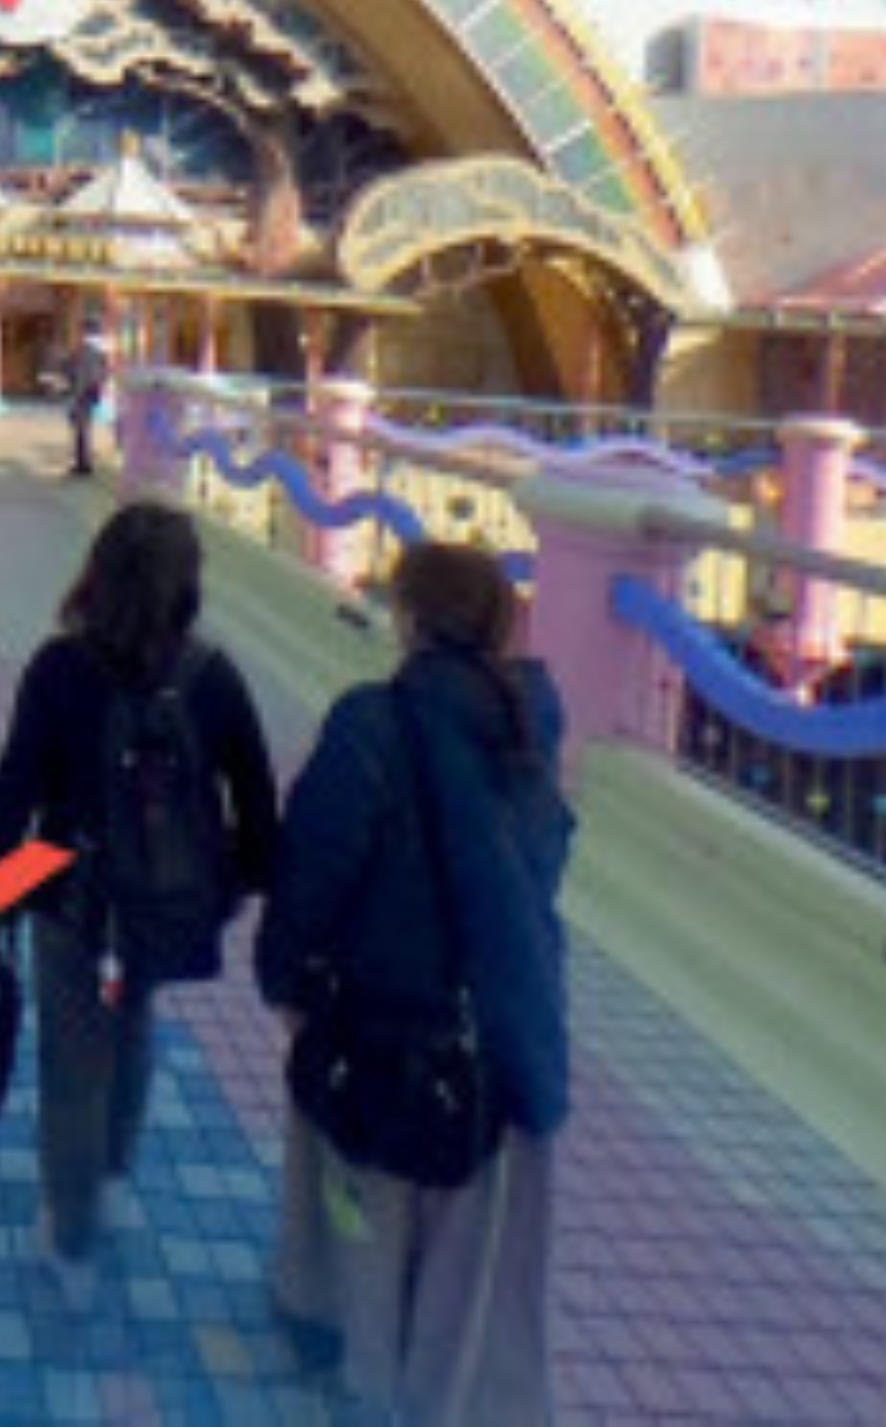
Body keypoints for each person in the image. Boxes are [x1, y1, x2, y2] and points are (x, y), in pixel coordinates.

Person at [258, 541, 574, 1423]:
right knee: (463, 1275)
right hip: (507, 1044)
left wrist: (281, 974)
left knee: (367, 1228)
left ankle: (360, 1377)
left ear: (406, 619)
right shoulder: (533, 725)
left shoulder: (373, 723)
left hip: (385, 1036)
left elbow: (313, 865)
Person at [0, 501, 281, 1304]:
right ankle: (110, 1173)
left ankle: (71, 1239)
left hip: (72, 899)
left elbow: (17, 783)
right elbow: (255, 798)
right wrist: (232, 886)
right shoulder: (213, 676)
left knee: (75, 1058)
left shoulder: (60, 669)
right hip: (167, 906)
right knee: (132, 1018)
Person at [64, 325, 113, 479]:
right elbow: (104, 373)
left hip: (82, 394)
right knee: (84, 429)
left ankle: (83, 464)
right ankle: (83, 462)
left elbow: (80, 374)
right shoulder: (101, 352)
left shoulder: (85, 351)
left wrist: (74, 395)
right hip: (91, 394)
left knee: (81, 429)